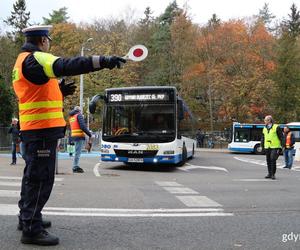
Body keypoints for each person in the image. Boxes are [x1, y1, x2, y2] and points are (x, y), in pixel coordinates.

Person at [12, 25, 126, 246]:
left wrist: (59, 91)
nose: (49, 45)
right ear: (43, 40)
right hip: (42, 130)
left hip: (34, 129)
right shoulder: (36, 58)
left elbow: (32, 92)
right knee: (41, 178)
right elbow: (66, 65)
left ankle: (26, 217)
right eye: (49, 41)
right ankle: (31, 228)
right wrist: (102, 61)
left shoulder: (22, 61)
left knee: (31, 176)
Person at [69, 106, 91, 173]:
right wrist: (89, 134)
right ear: (79, 111)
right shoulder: (79, 115)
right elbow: (82, 126)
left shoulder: (71, 117)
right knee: (77, 152)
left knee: (76, 152)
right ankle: (75, 166)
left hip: (74, 135)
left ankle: (75, 165)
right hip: (79, 136)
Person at [261, 115, 283, 180]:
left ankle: (273, 174)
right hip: (267, 146)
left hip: (275, 146)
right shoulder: (264, 128)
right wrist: (262, 146)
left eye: (265, 120)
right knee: (268, 160)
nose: (264, 121)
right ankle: (269, 173)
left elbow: (281, 137)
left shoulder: (276, 127)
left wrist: (282, 146)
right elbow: (263, 137)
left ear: (269, 120)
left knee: (273, 159)